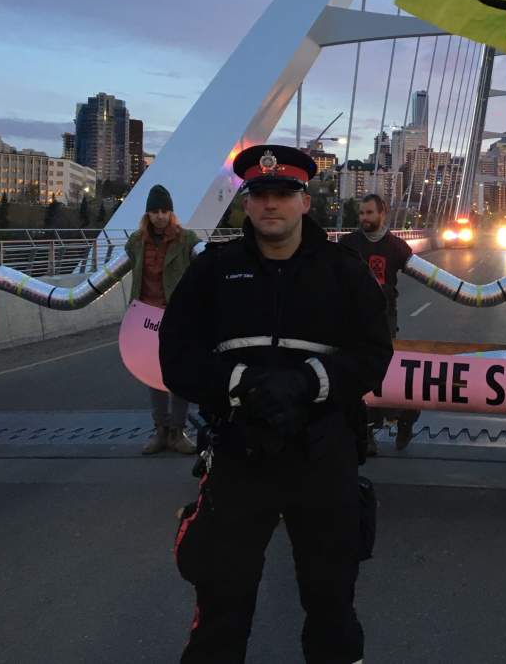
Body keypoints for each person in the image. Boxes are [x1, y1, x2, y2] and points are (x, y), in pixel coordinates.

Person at [159, 144, 391, 664]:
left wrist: (308, 384)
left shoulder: (343, 271)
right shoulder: (213, 272)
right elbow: (176, 355)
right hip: (241, 454)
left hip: (324, 454)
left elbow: (374, 354)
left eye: (283, 194)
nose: (271, 205)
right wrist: (242, 385)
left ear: (305, 203)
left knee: (331, 602)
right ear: (245, 204)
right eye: (259, 194)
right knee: (222, 602)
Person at [124, 184, 201, 455]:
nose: (160, 216)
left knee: (177, 374)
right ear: (148, 213)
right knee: (151, 375)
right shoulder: (136, 241)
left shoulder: (187, 239)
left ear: (171, 213)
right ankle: (161, 431)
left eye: (164, 211)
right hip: (146, 315)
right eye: (155, 211)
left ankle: (178, 432)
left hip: (176, 315)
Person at [338, 193, 417, 454]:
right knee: (359, 372)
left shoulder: (397, 247)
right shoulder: (349, 243)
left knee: (385, 370)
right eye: (361, 213)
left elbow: (422, 271)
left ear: (382, 214)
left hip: (384, 316)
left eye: (369, 213)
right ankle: (368, 432)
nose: (364, 218)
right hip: (352, 316)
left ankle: (406, 413)